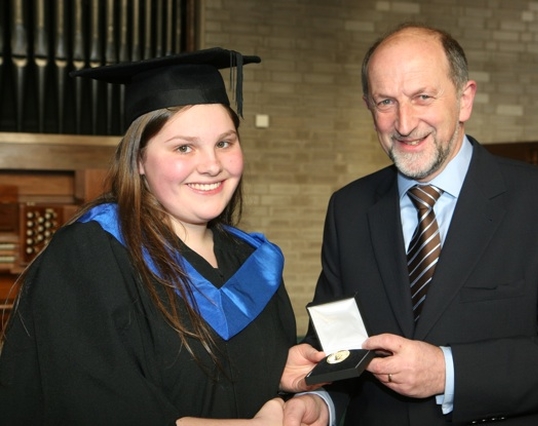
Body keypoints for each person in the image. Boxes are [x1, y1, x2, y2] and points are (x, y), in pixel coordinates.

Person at [302, 22, 538, 425]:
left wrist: (448, 372)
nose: (404, 123)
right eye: (386, 102)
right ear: (369, 106)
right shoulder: (348, 207)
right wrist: (320, 403)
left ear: (465, 99)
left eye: (422, 97)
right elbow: (337, 340)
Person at [0, 48, 331, 426]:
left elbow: (219, 377)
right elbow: (87, 405)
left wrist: (280, 376)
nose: (211, 165)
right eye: (183, 147)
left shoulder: (253, 260)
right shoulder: (88, 257)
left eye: (224, 142)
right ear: (139, 160)